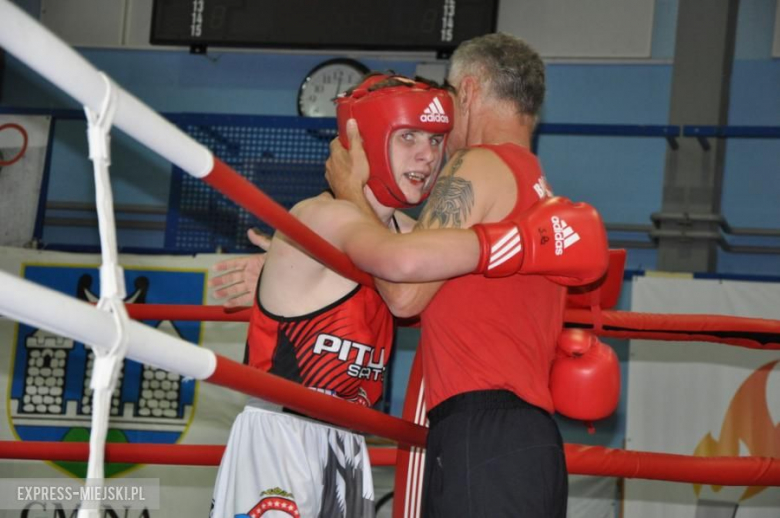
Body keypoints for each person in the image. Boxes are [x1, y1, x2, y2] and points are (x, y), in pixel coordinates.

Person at [324, 33, 599, 517]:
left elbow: (404, 293)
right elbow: (425, 248)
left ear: (468, 93)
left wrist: (351, 194)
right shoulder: (532, 181)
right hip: (522, 444)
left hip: (486, 436)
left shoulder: (480, 163)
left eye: (450, 98)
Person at [210, 73, 480, 518]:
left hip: (349, 440)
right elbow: (386, 254)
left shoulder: (404, 236)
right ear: (365, 141)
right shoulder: (320, 217)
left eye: (435, 140)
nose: (426, 155)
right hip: (284, 434)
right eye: (408, 136)